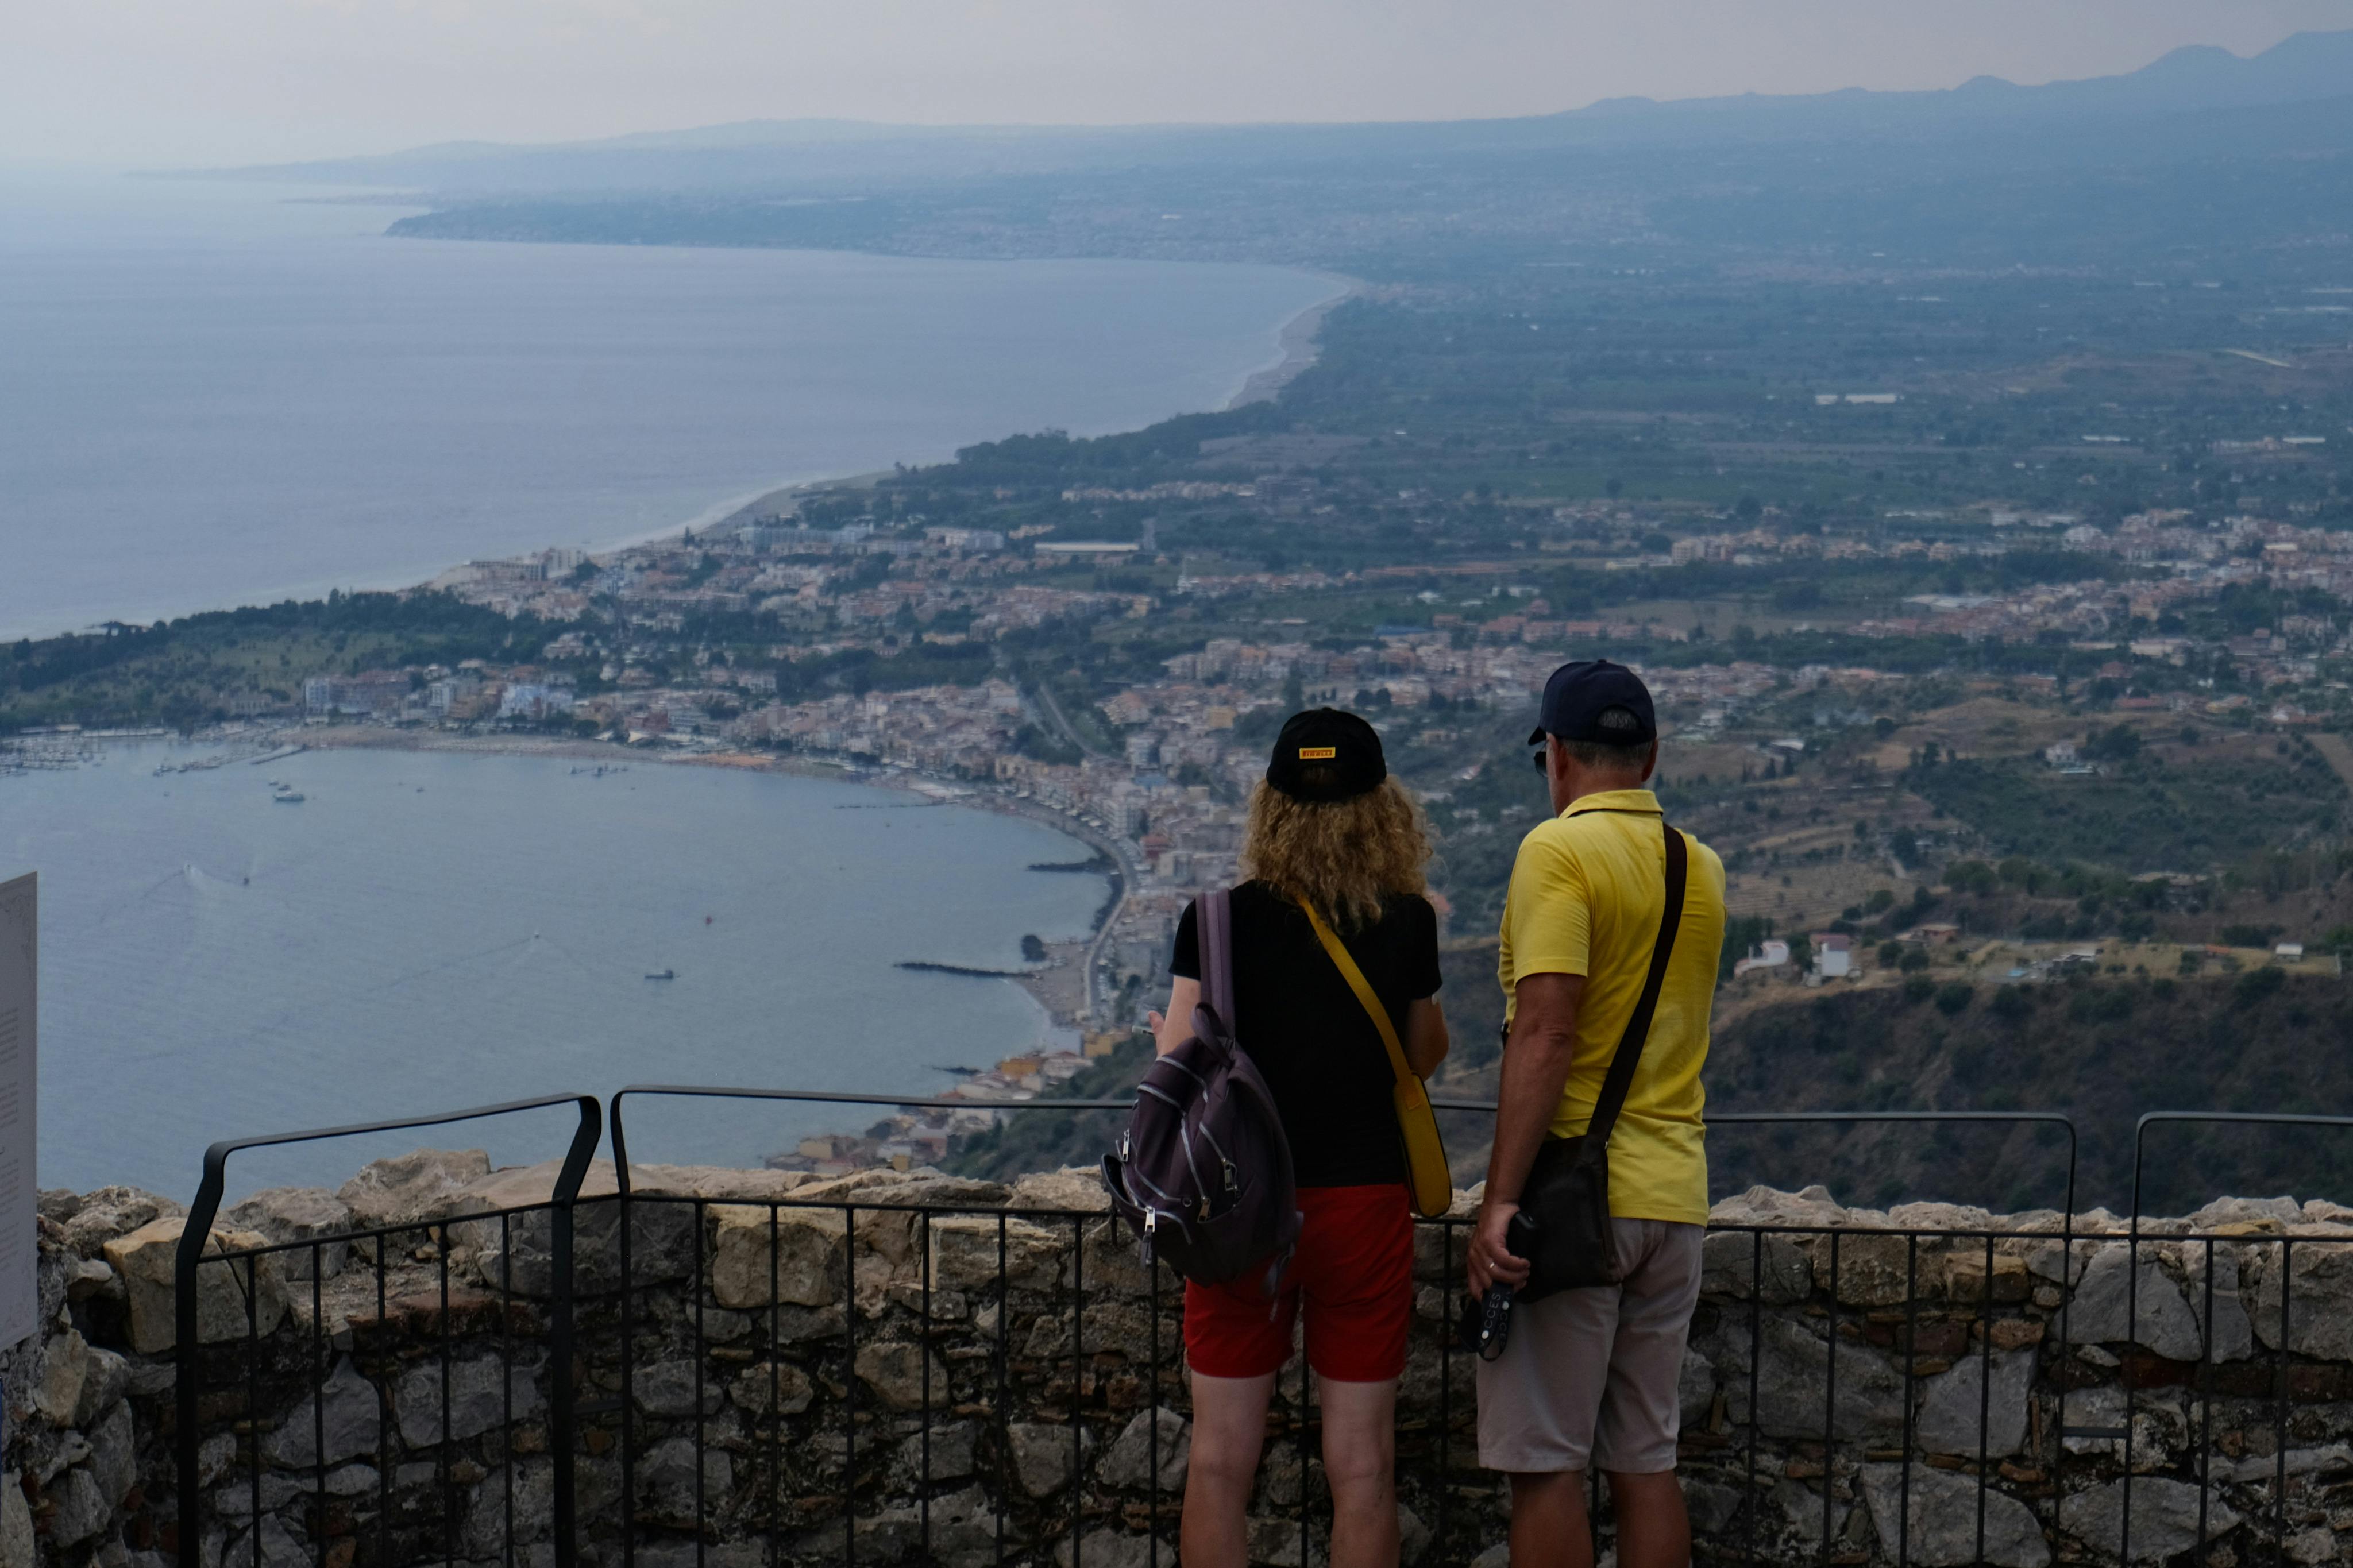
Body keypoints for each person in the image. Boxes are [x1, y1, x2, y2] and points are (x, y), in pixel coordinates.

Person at [1148, 707, 1449, 1568]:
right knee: (1363, 1465)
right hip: (1362, 1204)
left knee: (1218, 1461)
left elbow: (1177, 1053)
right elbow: (1422, 1055)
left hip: (1239, 1204)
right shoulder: (1406, 921)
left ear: (1270, 807)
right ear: (1381, 808)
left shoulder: (1214, 920)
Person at [1466, 661, 1727, 1568]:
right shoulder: (1703, 866)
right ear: (1650, 755)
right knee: (1645, 1460)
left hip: (1578, 1202)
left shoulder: (1557, 851)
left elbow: (1545, 1031)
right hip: (1677, 1196)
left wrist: (1500, 1199)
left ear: (1555, 756)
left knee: (1545, 1465)